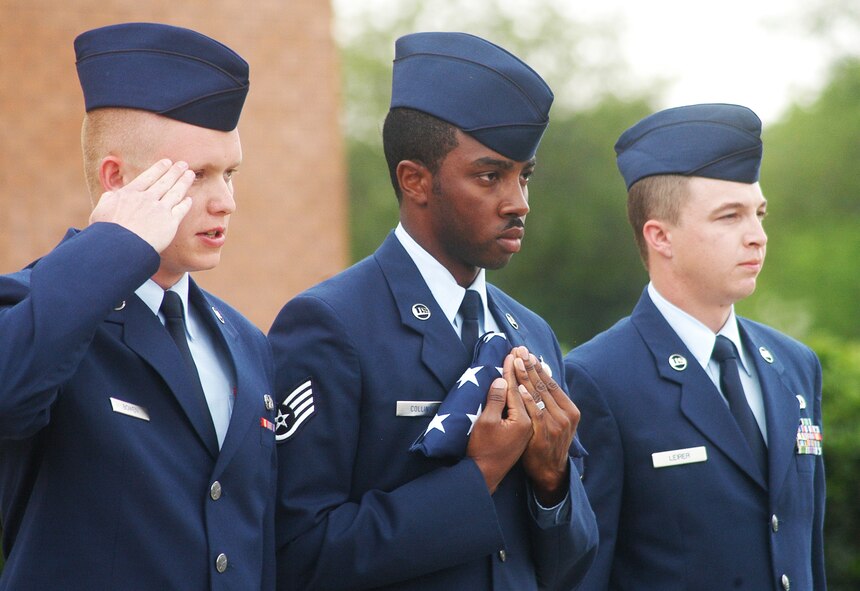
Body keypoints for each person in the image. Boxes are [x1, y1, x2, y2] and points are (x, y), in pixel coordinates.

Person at [268, 32, 597, 591]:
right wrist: (479, 475)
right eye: (490, 176)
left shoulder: (532, 332)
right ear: (415, 180)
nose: (519, 202)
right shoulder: (329, 325)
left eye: (525, 176)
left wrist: (552, 483)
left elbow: (568, 567)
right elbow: (300, 554)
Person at [0, 23, 276, 590]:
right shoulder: (36, 308)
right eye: (196, 175)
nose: (224, 201)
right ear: (115, 179)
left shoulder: (246, 341)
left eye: (230, 174)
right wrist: (114, 244)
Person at [565, 103, 826, 590]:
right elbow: (585, 570)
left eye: (759, 214)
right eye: (730, 217)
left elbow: (805, 553)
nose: (758, 236)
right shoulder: (597, 378)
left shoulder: (794, 364)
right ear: (660, 236)